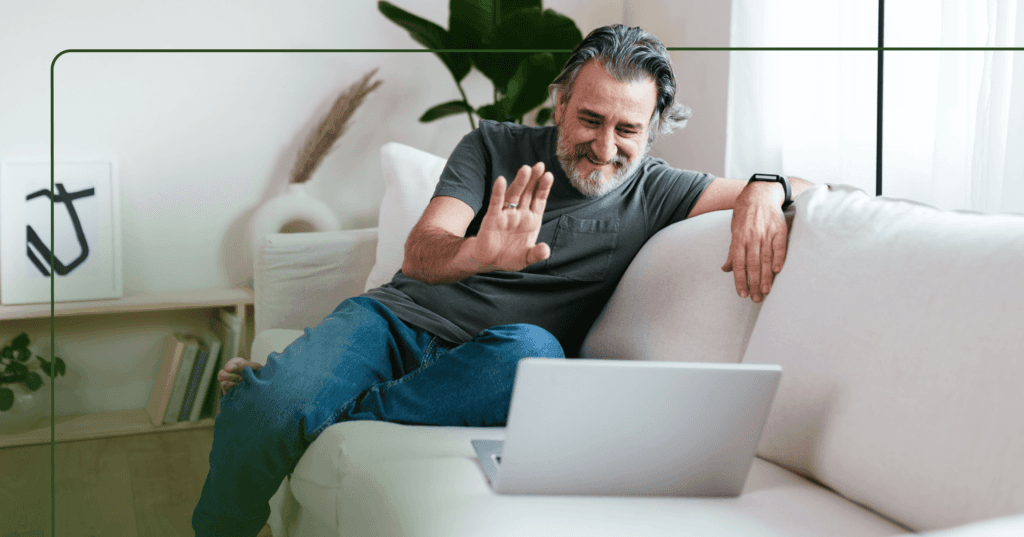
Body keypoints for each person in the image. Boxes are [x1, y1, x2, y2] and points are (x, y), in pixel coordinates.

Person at [193, 24, 811, 536]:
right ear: (561, 101)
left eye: (627, 130)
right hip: (393, 323)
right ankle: (269, 431)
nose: (604, 147)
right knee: (272, 406)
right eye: (590, 119)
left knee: (538, 353)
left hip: (493, 362)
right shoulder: (493, 145)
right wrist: (477, 254)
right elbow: (421, 253)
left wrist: (766, 188)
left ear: (652, 131)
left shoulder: (656, 189)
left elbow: (815, 192)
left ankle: (318, 404)